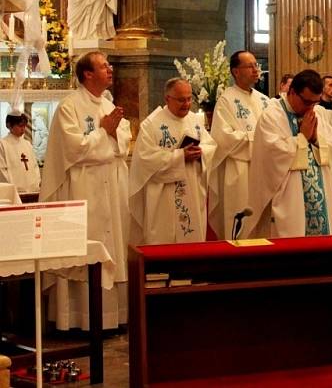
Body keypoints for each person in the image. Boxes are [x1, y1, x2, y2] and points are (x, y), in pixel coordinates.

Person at [40, 51, 131, 330]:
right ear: (88, 74)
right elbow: (74, 149)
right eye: (104, 66)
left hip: (110, 184)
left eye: (109, 65)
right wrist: (104, 132)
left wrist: (112, 134)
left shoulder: (108, 105)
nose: (110, 69)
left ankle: (111, 318)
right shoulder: (70, 106)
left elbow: (124, 143)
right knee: (84, 245)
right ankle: (76, 318)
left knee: (112, 244)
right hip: (83, 187)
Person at [249, 69, 332, 238]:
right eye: (307, 102)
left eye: (315, 102)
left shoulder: (316, 112)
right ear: (292, 92)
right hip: (290, 200)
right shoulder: (272, 115)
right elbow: (273, 157)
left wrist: (315, 140)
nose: (311, 107)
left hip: (319, 199)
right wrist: (302, 138)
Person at [129, 78, 216, 244]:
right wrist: (180, 156)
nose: (187, 104)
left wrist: (201, 152)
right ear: (167, 98)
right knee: (165, 240)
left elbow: (210, 145)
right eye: (181, 99)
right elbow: (145, 159)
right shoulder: (151, 124)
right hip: (163, 197)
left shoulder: (195, 120)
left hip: (192, 189)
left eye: (189, 98)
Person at [208, 51, 272, 239]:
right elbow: (224, 138)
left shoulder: (264, 100)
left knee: (263, 224)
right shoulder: (226, 100)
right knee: (241, 222)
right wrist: (258, 140)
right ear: (236, 71)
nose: (255, 70)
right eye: (250, 66)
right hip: (239, 171)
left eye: (256, 65)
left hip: (263, 170)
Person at [0, 113, 41, 193]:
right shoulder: (2, 144)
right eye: (20, 126)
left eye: (24, 126)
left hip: (33, 190)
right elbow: (1, 170)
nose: (23, 129)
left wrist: (36, 184)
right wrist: (12, 188)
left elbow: (35, 167)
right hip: (14, 191)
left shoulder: (27, 144)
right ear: (9, 125)